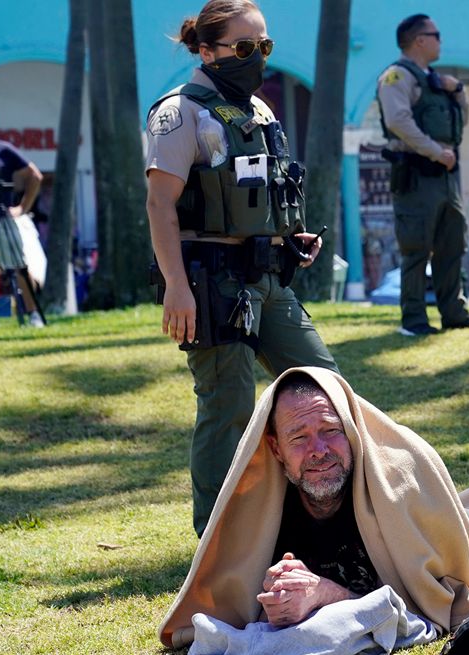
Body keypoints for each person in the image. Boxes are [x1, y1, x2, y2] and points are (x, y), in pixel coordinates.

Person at [158, 367, 469, 647]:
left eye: (330, 430)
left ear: (353, 430)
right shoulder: (264, 515)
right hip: (450, 521)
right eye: (299, 438)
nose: (318, 450)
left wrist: (324, 595)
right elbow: (232, 594)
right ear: (275, 449)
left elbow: (436, 601)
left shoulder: (398, 488)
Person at [144, 0, 339, 537]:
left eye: (265, 46)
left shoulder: (259, 109)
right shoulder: (180, 111)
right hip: (211, 281)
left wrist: (287, 237)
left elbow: (260, 191)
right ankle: (217, 538)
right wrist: (176, 290)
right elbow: (160, 205)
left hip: (268, 278)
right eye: (245, 47)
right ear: (207, 51)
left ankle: (325, 518)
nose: (258, 57)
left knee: (326, 387)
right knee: (227, 407)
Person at [377, 14, 469, 336]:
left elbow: (459, 122)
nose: (441, 40)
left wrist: (458, 92)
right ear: (419, 40)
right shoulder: (396, 77)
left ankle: (454, 314)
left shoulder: (438, 80)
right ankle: (414, 320)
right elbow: (398, 121)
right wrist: (433, 151)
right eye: (436, 34)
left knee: (452, 243)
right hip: (416, 172)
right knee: (416, 247)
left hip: (446, 174)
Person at [0, 113, 45, 328]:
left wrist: (23, 208)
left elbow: (35, 176)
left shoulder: (3, 150)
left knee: (18, 267)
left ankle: (34, 315)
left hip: (2, 219)